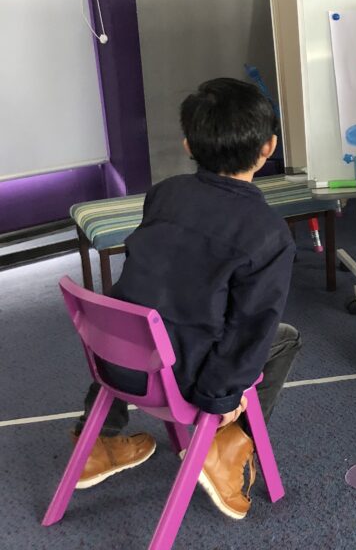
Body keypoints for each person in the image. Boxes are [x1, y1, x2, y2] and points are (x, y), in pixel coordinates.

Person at [71, 78, 302, 519]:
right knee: (285, 338)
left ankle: (98, 440)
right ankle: (227, 444)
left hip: (114, 358)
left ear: (188, 144)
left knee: (136, 307)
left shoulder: (165, 193)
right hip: (178, 377)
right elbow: (252, 330)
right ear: (268, 147)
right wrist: (218, 402)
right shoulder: (268, 233)